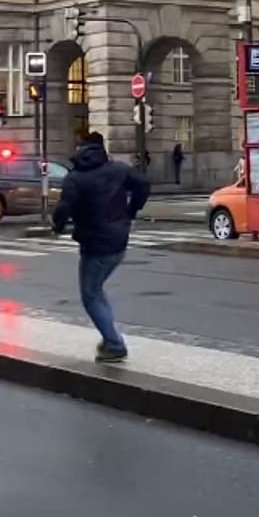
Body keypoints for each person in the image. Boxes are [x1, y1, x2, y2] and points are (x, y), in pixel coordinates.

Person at [52, 131, 150, 363]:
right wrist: (131, 211)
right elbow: (143, 185)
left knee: (91, 295)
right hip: (119, 239)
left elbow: (63, 209)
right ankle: (110, 339)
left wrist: (57, 226)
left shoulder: (75, 178)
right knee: (97, 290)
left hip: (94, 243)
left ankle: (114, 344)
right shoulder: (118, 169)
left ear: (79, 149)